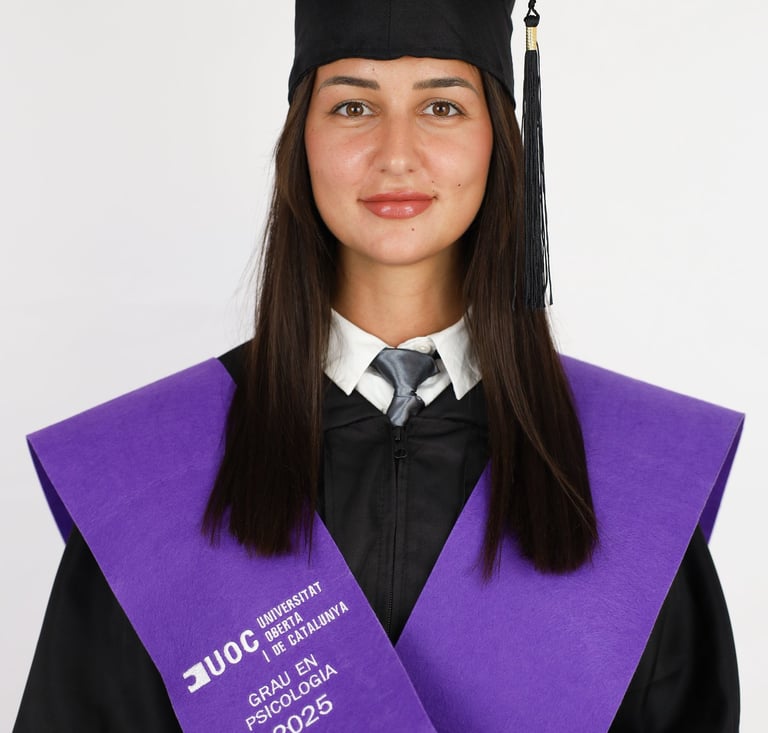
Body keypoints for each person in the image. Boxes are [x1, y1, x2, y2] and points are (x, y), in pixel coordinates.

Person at [14, 1, 742, 731]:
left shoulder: (632, 475)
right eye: (354, 106)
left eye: (442, 107)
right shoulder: (152, 478)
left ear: (498, 140)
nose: (397, 154)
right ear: (301, 139)